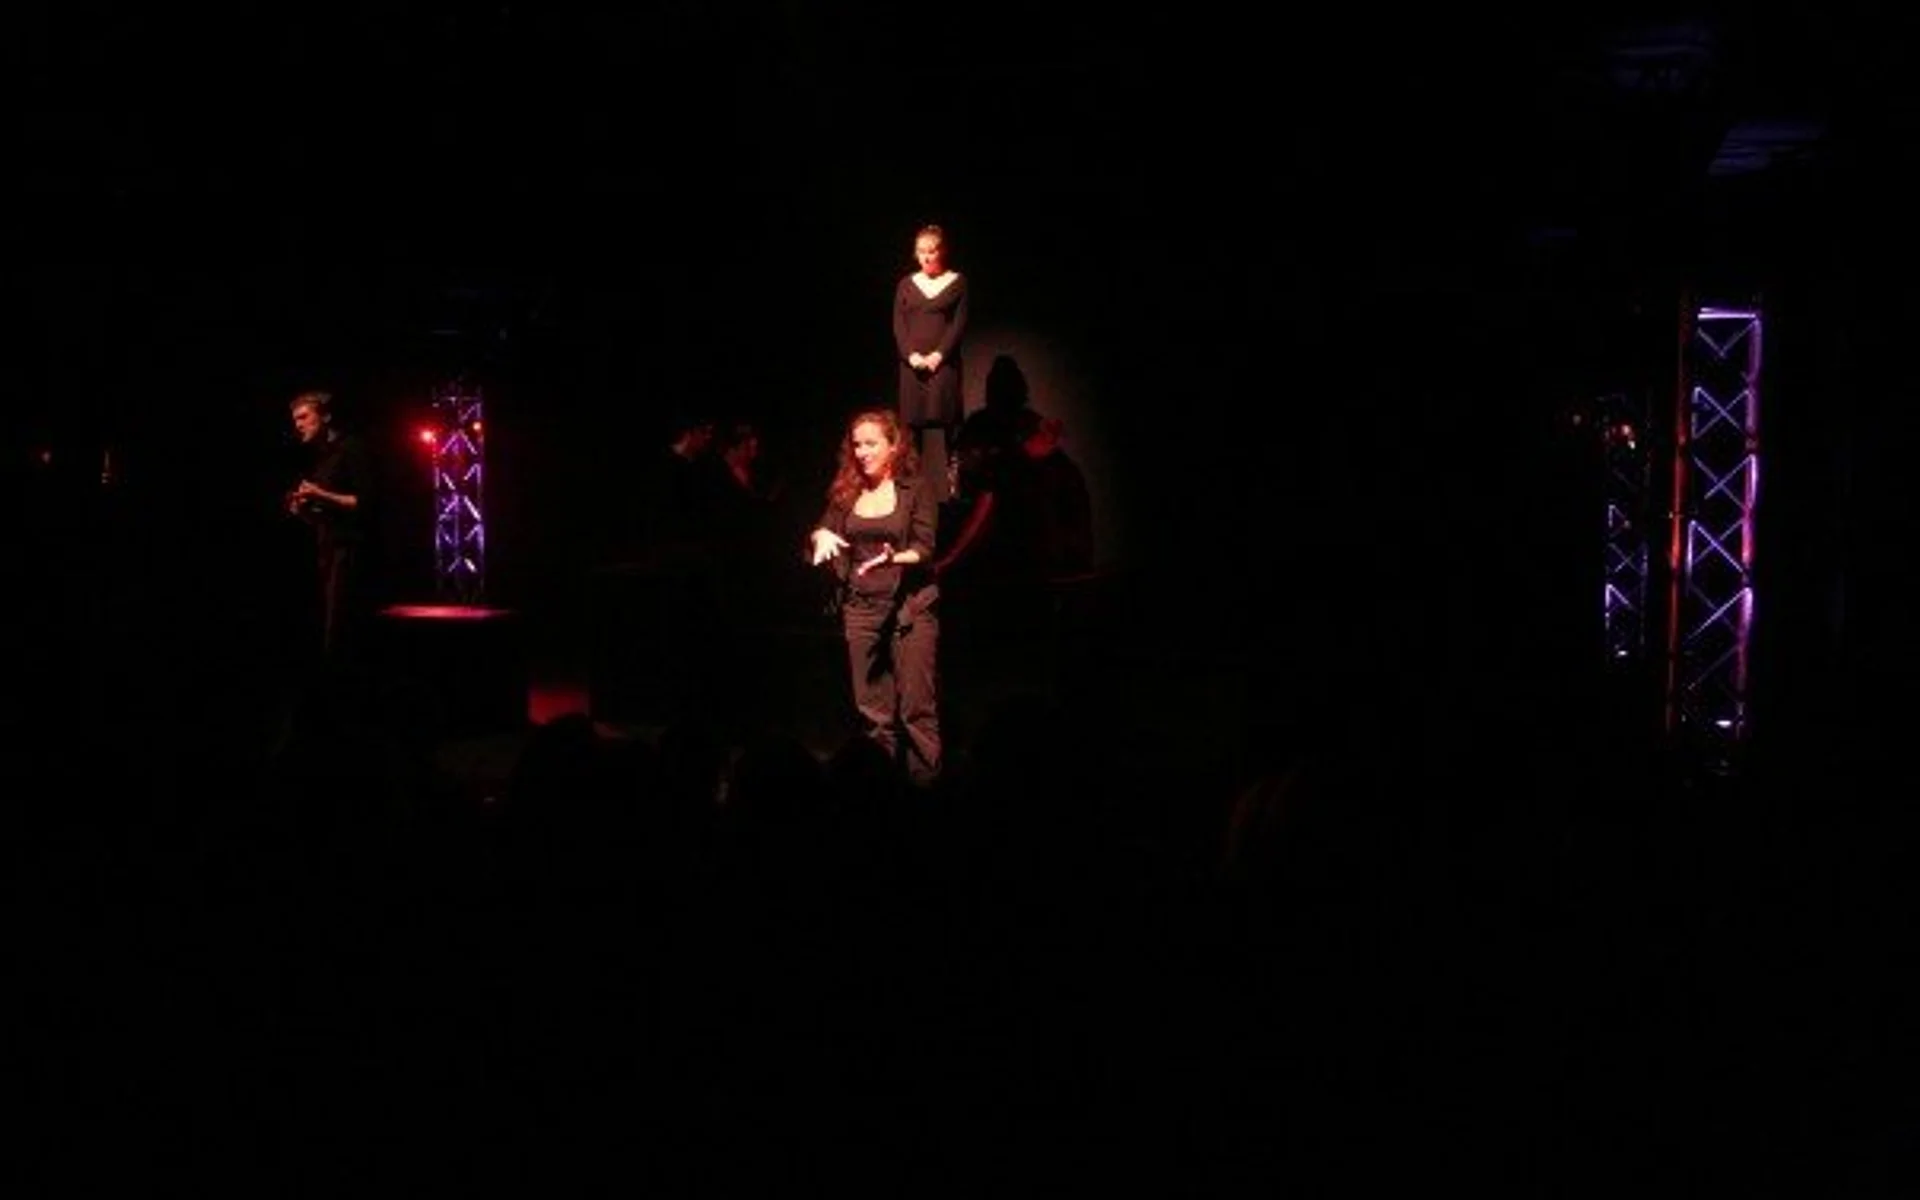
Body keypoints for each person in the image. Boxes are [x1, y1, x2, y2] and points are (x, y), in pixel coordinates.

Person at [807, 408, 943, 787]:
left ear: (893, 446)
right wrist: (819, 535)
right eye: (857, 445)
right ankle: (879, 792)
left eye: (871, 444)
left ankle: (927, 789)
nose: (862, 452)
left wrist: (893, 558)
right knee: (874, 715)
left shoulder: (915, 489)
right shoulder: (847, 491)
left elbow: (925, 548)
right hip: (862, 610)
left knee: (916, 710)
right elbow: (823, 529)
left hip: (908, 609)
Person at [286, 390, 375, 664]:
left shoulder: (352, 448)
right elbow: (325, 516)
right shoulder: (323, 457)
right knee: (330, 621)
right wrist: (303, 510)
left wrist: (320, 494)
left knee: (342, 625)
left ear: (325, 417)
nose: (298, 425)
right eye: (295, 420)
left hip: (350, 550)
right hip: (328, 547)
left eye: (304, 417)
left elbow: (366, 502)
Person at [892, 224, 969, 493]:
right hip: (912, 367)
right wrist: (911, 355)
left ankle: (956, 486)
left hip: (943, 366)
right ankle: (912, 489)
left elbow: (959, 324)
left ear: (942, 251)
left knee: (949, 424)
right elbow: (899, 325)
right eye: (921, 251)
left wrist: (939, 354)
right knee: (912, 429)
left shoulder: (957, 282)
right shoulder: (906, 284)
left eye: (931, 251)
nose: (926, 257)